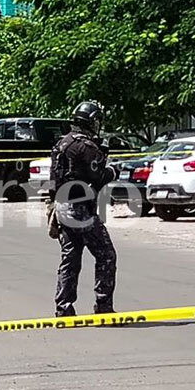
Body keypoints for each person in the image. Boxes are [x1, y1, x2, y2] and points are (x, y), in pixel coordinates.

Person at [49, 100, 119, 317]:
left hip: (62, 207)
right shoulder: (86, 147)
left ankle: (63, 308)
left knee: (70, 259)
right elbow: (97, 177)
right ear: (91, 121)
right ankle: (104, 307)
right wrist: (112, 172)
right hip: (80, 210)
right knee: (106, 255)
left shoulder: (62, 143)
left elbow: (54, 179)